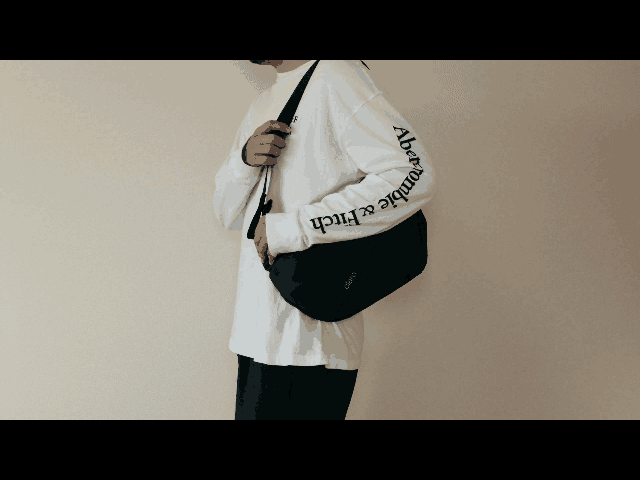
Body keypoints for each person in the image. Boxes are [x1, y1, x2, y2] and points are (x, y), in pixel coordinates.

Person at [214, 60, 438, 420]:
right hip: (257, 335)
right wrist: (244, 162)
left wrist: (295, 227)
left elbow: (413, 173)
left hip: (310, 342)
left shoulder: (337, 75)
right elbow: (225, 212)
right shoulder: (264, 102)